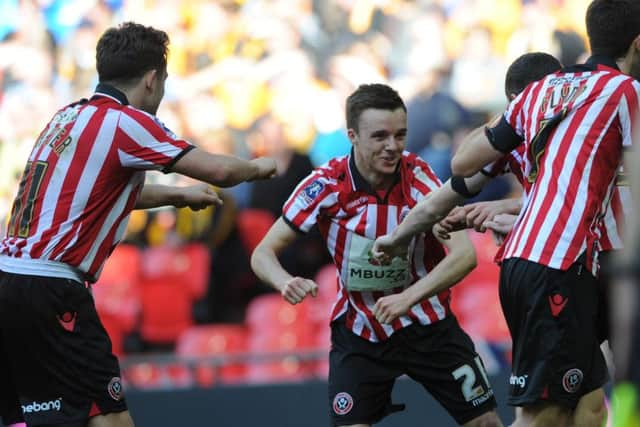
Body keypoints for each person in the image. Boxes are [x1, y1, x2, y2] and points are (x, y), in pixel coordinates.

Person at [0, 22, 276, 427]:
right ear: (152, 79)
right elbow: (218, 169)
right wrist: (256, 166)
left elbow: (91, 192)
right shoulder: (127, 122)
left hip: (8, 280)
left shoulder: (66, 117)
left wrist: (176, 195)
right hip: (52, 289)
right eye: (163, 81)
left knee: (30, 417)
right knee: (109, 418)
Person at [251, 83, 503, 427]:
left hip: (429, 328)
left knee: (486, 423)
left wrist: (407, 298)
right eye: (380, 136)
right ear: (352, 135)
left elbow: (464, 256)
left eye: (400, 135)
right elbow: (263, 253)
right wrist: (284, 281)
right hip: (361, 334)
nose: (392, 147)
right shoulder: (325, 185)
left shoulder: (419, 178)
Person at [443, 1, 640, 426]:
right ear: (637, 44)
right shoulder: (626, 93)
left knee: (588, 408)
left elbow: (462, 161)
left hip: (530, 259)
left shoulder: (542, 92)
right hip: (556, 266)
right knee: (542, 418)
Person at [373, 52, 562, 261]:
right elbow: (453, 180)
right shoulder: (512, 141)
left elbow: (574, 201)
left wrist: (511, 207)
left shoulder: (584, 134)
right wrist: (398, 236)